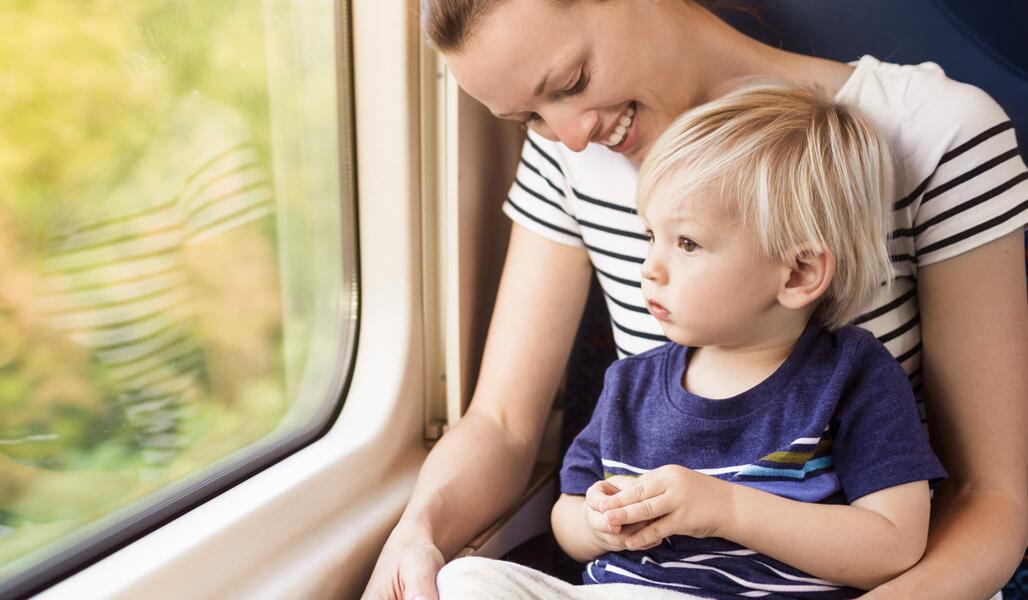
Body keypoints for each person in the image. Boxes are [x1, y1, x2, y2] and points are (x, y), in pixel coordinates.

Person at [362, 1, 1028, 598]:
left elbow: (990, 500)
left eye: (570, 83)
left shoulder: (932, 133)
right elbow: (503, 423)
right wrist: (416, 539)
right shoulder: (571, 160)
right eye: (530, 117)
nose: (570, 136)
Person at [434, 81, 948, 599]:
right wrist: (595, 522)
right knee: (464, 579)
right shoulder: (630, 384)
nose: (650, 269)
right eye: (649, 236)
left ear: (797, 275)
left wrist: (724, 510)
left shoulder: (852, 377)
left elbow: (894, 546)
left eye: (687, 243)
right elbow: (567, 516)